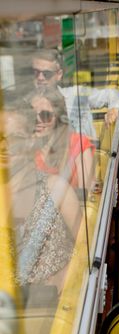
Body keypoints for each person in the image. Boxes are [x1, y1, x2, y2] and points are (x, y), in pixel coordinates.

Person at [3, 102, 81, 290]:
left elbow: (86, 248)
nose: (4, 146)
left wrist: (65, 284)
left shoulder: (56, 189)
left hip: (47, 304)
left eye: (15, 138)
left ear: (31, 140)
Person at [32, 49, 119, 138]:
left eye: (46, 74)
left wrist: (113, 109)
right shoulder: (27, 106)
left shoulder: (77, 94)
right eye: (36, 73)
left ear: (59, 74)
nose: (40, 78)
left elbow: (112, 94)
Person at [28, 89, 95, 191]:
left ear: (58, 117)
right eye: (32, 115)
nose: (38, 120)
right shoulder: (26, 147)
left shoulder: (77, 143)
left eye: (45, 115)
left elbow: (85, 194)